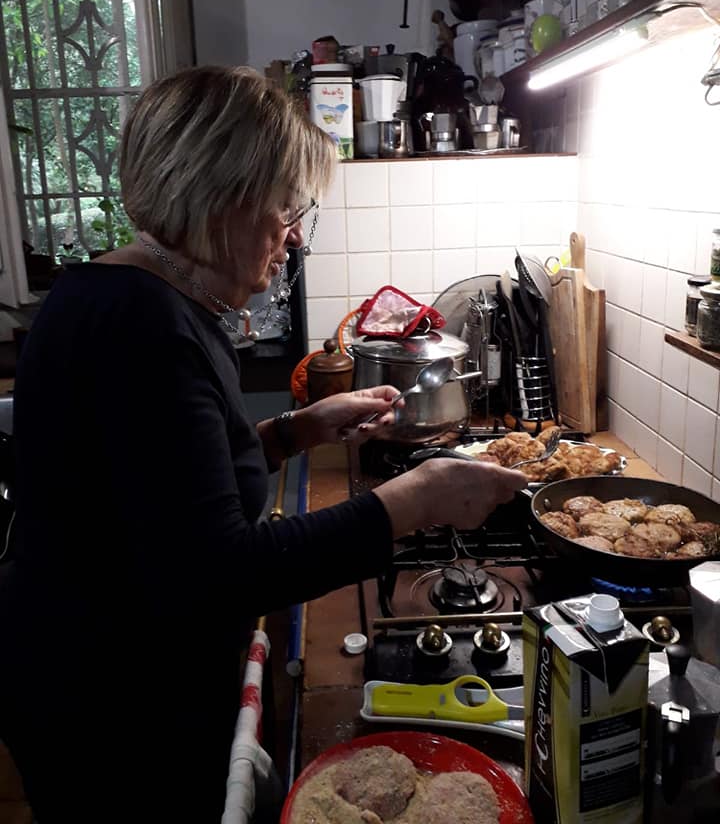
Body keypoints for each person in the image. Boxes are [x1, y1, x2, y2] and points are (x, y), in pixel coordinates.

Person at [0, 66, 526, 822]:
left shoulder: (124, 296)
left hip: (101, 662)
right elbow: (220, 572)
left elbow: (159, 481)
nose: (293, 238)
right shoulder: (142, 328)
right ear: (220, 198)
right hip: (108, 702)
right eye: (286, 209)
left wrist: (295, 430)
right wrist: (414, 501)